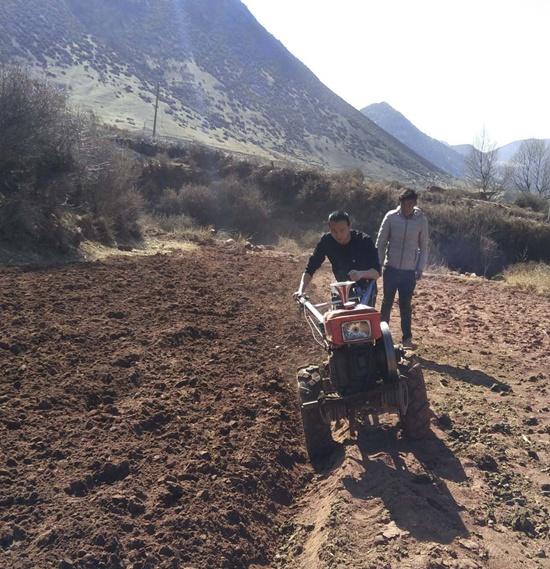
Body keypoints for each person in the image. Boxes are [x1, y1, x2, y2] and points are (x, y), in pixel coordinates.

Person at [376, 188, 429, 347]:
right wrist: (377, 264)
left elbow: (424, 245)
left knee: (406, 305)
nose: (408, 207)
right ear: (400, 202)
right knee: (387, 303)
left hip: (409, 271)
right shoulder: (391, 217)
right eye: (405, 203)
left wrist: (420, 267)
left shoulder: (421, 220)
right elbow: (380, 242)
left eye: (411, 204)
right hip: (391, 268)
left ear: (414, 204)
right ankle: (380, 338)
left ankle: (407, 340)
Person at [294, 210, 380, 299]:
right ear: (329, 228)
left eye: (342, 230)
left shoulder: (364, 241)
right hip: (342, 289)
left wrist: (360, 274)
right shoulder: (326, 241)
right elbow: (310, 268)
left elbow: (377, 272)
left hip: (366, 289)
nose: (338, 235)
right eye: (334, 231)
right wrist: (301, 290)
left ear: (349, 226)